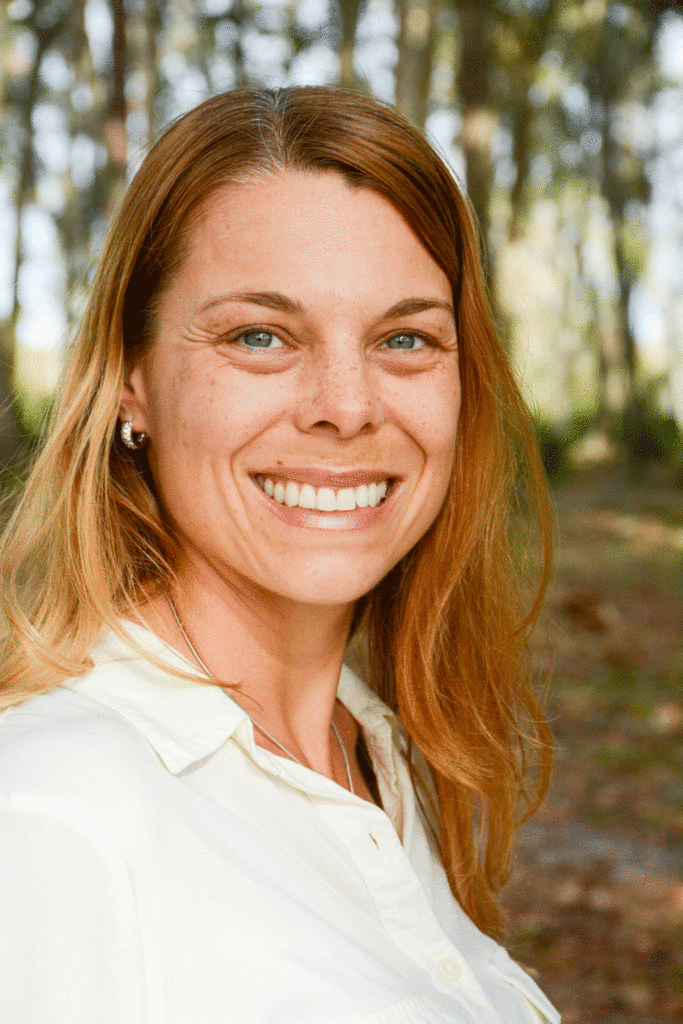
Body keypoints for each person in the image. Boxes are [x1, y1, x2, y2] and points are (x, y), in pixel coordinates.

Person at [0, 86, 559, 1024]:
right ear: (131, 381)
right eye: (260, 335)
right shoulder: (51, 815)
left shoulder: (374, 751)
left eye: (404, 338)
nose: (346, 403)